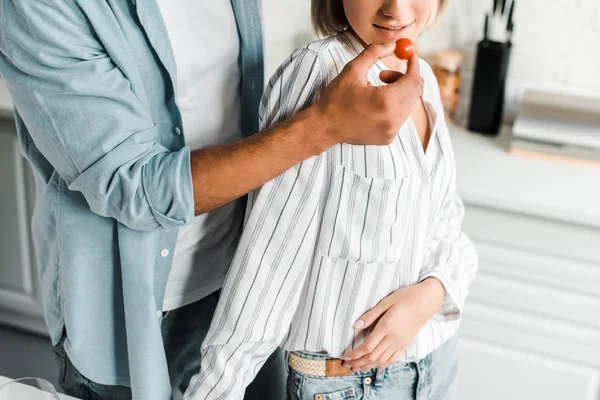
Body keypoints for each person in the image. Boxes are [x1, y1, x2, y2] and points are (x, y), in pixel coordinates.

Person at [0, 0, 423, 399]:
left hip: (240, 288)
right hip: (130, 308)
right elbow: (133, 187)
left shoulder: (403, 79)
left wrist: (434, 290)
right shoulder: (39, 7)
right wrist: (324, 126)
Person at [185, 0, 479, 399]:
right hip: (348, 384)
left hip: (436, 361)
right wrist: (216, 390)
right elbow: (270, 261)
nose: (395, 9)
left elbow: (446, 221)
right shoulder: (320, 73)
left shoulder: (422, 75)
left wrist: (435, 291)